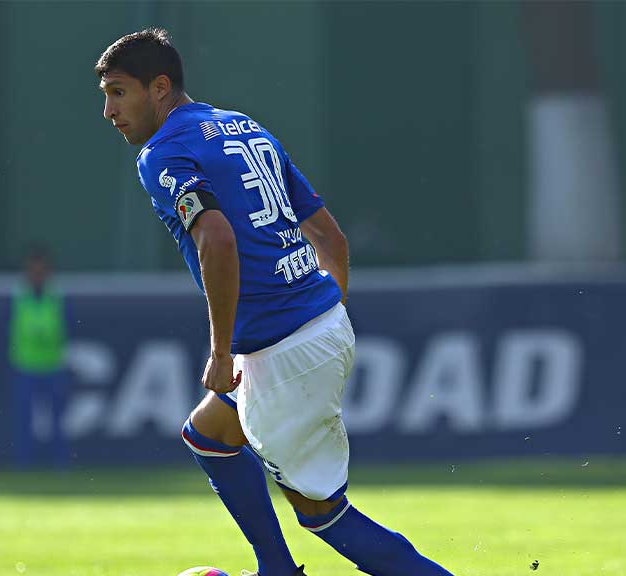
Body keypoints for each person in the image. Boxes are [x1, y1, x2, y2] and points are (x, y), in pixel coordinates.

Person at [95, 28, 455, 576]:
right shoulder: (245, 128)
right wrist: (322, 313)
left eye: (119, 92)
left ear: (160, 87)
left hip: (282, 349)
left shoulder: (163, 151)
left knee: (323, 514)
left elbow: (216, 238)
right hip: (314, 323)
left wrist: (221, 353)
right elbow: (330, 238)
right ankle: (276, 568)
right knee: (208, 435)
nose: (108, 110)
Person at [9, 245, 69, 469]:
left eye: (40, 270)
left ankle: (59, 465)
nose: (36, 275)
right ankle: (23, 464)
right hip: (25, 365)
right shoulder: (19, 296)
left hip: (52, 365)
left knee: (57, 421)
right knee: (23, 421)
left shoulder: (55, 296)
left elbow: (59, 329)